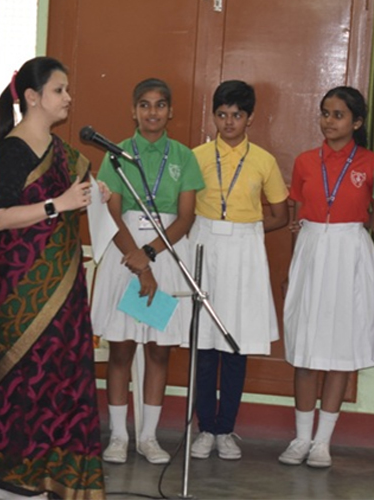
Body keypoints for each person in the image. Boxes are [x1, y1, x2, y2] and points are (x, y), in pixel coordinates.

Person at [0, 56, 106, 500]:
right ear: (32, 97)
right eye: (59, 90)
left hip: (63, 288)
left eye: (67, 90)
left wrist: (94, 193)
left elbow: (73, 196)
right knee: (24, 381)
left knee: (59, 380)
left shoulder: (63, 152)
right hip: (21, 291)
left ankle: (48, 475)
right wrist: (59, 204)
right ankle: (7, 480)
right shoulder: (14, 148)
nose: (68, 98)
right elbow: (0, 217)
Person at [91, 78, 204, 465]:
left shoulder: (183, 156)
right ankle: (118, 436)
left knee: (158, 350)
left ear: (170, 111)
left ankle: (149, 437)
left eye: (159, 105)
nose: (152, 112)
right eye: (144, 104)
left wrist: (150, 254)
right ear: (133, 110)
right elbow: (112, 212)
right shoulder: (117, 154)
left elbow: (185, 217)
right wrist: (137, 261)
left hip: (166, 254)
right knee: (121, 349)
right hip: (124, 254)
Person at [189, 80, 289, 461]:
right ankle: (205, 428)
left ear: (250, 118)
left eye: (237, 115)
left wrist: (246, 230)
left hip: (245, 248)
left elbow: (280, 214)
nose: (229, 122)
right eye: (222, 114)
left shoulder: (263, 160)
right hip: (204, 242)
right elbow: (184, 207)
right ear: (214, 117)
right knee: (204, 342)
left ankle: (225, 428)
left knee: (236, 343)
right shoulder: (197, 156)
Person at [279, 86, 374, 468]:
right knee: (305, 348)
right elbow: (297, 215)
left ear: (357, 122)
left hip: (350, 253)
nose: (329, 121)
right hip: (312, 250)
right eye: (325, 113)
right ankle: (301, 438)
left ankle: (322, 442)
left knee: (340, 349)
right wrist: (292, 270)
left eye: (338, 115)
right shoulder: (306, 161)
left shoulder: (368, 162)